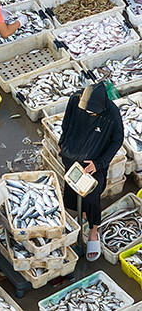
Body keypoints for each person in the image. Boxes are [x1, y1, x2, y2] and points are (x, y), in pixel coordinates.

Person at [59, 80, 124, 261]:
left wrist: (100, 163)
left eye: (91, 111)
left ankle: (94, 229)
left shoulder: (112, 113)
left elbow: (117, 140)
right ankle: (82, 215)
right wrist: (61, 143)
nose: (88, 112)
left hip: (92, 164)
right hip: (71, 158)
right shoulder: (75, 100)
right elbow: (66, 122)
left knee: (92, 196)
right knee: (71, 192)